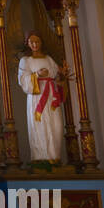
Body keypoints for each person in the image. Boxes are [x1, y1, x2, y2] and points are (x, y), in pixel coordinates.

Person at [17, 30, 67, 163]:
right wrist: (37, 75)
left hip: (51, 96)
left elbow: (57, 76)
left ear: (41, 42)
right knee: (40, 126)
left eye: (37, 41)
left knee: (56, 125)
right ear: (27, 43)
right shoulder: (25, 61)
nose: (34, 44)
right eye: (31, 41)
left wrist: (61, 77)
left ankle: (55, 158)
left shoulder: (48, 59)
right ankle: (41, 159)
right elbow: (23, 80)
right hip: (37, 97)